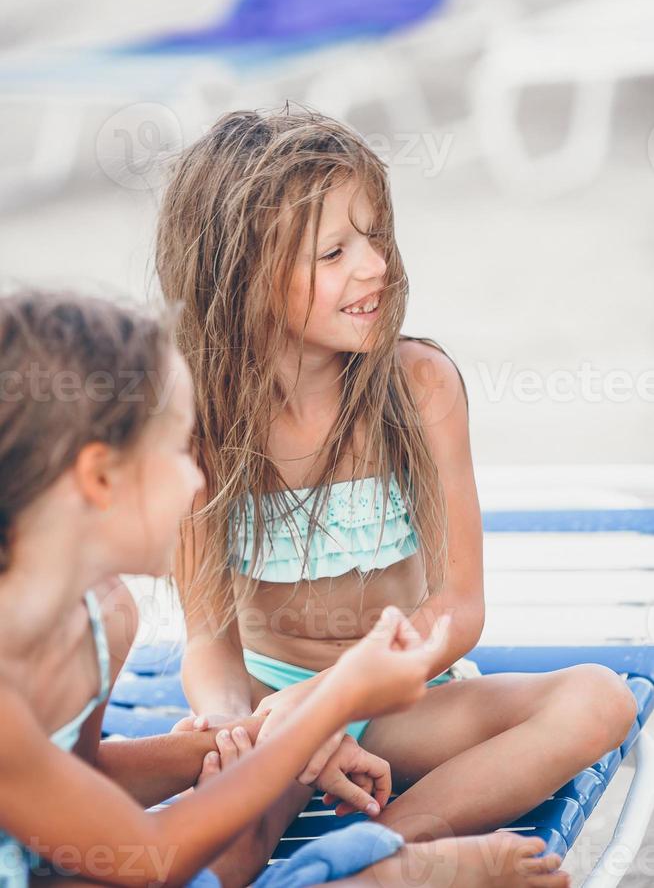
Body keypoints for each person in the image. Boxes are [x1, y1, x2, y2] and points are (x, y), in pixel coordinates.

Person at [155, 107, 637, 881]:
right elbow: (211, 644)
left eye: (375, 237)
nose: (375, 266)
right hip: (280, 712)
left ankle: (383, 854)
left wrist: (341, 698)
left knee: (599, 702)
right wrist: (232, 723)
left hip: (412, 705)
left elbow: (459, 608)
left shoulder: (418, 388)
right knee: (226, 847)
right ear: (240, 274)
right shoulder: (199, 432)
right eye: (336, 251)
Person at [0, 290, 568, 888]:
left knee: (224, 859)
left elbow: (79, 780)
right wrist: (331, 704)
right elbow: (153, 859)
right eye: (176, 451)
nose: (198, 478)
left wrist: (248, 743)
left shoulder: (103, 617)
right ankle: (392, 876)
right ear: (98, 477)